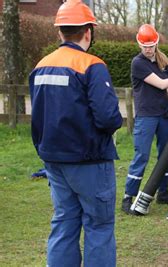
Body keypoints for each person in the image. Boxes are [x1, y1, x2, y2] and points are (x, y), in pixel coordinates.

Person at [29, 0, 123, 265]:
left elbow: (36, 117)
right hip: (90, 161)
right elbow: (108, 118)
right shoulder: (92, 65)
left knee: (64, 223)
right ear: (88, 32)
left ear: (59, 32)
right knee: (99, 226)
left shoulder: (40, 66)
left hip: (54, 159)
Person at [121, 24, 168, 214]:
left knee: (167, 154)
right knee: (142, 156)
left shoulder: (164, 61)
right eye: (144, 45)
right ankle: (128, 197)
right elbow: (162, 83)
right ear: (139, 44)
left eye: (151, 45)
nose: (148, 49)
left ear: (156, 43)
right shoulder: (137, 63)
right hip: (146, 116)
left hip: (163, 116)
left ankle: (163, 192)